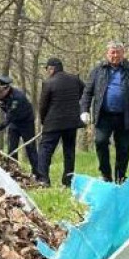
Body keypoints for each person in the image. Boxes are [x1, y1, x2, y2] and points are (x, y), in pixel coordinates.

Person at [80, 42, 129, 183]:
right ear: (107, 54)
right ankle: (106, 174)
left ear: (123, 54)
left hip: (125, 115)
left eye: (118, 52)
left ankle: (121, 176)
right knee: (100, 142)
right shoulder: (98, 70)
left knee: (123, 148)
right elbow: (87, 92)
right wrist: (84, 110)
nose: (115, 56)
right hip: (104, 115)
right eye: (113, 52)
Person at [36, 58, 85, 187]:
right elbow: (84, 91)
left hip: (53, 122)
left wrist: (43, 120)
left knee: (45, 150)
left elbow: (43, 105)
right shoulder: (75, 79)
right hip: (71, 122)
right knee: (69, 151)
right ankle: (68, 180)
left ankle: (43, 179)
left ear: (52, 68)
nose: (47, 72)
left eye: (47, 69)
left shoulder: (49, 83)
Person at [0, 75, 38, 173]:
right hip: (14, 123)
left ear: (7, 89)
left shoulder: (17, 98)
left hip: (26, 122)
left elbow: (9, 118)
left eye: (1, 92)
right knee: (12, 148)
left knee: (30, 148)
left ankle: (38, 174)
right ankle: (14, 171)